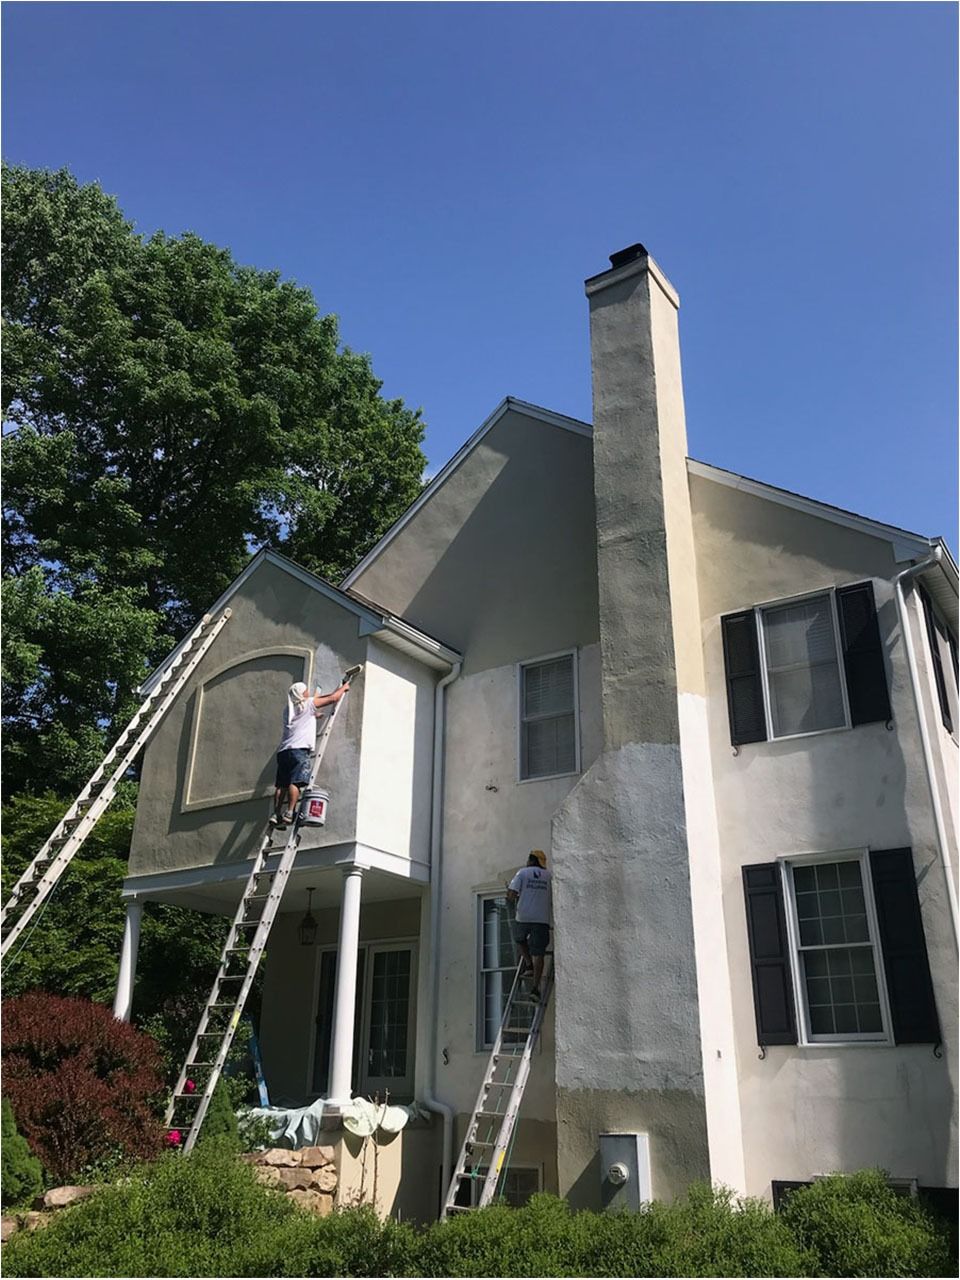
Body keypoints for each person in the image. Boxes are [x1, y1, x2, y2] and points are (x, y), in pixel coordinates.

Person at [271, 679, 350, 828]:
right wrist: (344, 687)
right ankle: (289, 812)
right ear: (301, 693)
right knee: (295, 782)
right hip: (299, 750)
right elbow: (333, 698)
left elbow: (301, 717)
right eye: (305, 690)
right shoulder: (308, 703)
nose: (308, 692)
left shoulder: (288, 709)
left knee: (281, 785)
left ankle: (276, 814)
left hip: (284, 752)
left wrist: (313, 715)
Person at [506, 850, 552, 1000]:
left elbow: (511, 894)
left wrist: (512, 895)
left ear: (531, 860)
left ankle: (528, 964)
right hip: (542, 918)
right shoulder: (549, 876)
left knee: (519, 939)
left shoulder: (522, 873)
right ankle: (535, 989)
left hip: (523, 916)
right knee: (539, 953)